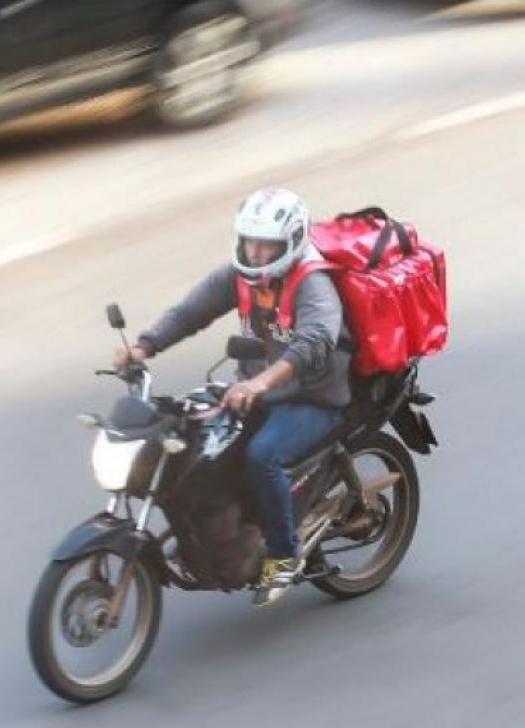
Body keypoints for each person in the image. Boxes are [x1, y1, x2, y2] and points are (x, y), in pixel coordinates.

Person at [113, 188, 351, 607]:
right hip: (252, 390)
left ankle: (281, 554)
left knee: (263, 455)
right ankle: (210, 540)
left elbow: (315, 341)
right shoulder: (238, 276)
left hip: (312, 398)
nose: (257, 253)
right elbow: (191, 311)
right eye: (250, 243)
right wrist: (145, 347)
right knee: (193, 446)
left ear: (291, 242)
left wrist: (261, 383)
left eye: (268, 245)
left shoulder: (312, 283)